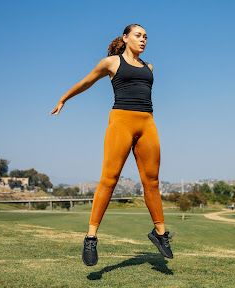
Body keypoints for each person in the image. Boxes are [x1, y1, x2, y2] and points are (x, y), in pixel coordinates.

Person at [50, 23, 173, 266]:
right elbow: (86, 82)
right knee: (110, 178)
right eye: (138, 35)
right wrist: (64, 98)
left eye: (146, 37)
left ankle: (160, 234)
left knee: (152, 181)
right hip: (121, 121)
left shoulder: (150, 67)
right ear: (125, 38)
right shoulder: (112, 63)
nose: (143, 40)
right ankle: (91, 237)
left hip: (147, 122)